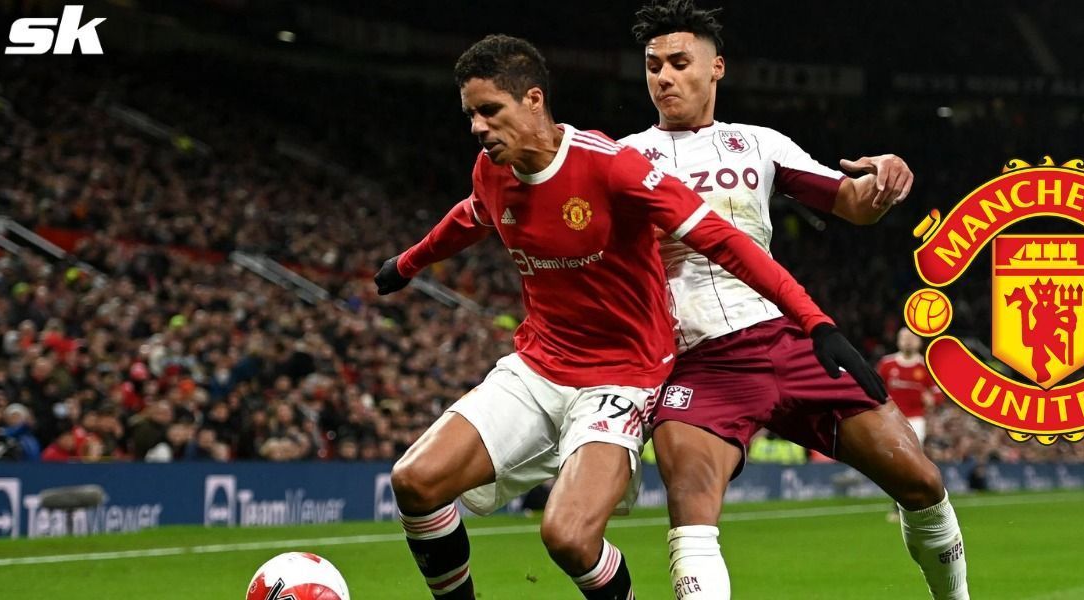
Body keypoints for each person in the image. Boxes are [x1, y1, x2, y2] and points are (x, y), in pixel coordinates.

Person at [375, 34, 872, 600]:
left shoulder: (614, 168)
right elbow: (470, 217)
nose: (478, 128)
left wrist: (815, 322)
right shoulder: (491, 171)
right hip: (540, 365)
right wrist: (407, 264)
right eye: (470, 115)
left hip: (623, 377)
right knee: (414, 481)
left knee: (568, 537)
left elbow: (724, 241)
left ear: (534, 100)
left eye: (490, 111)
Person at [620, 2, 969, 598]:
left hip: (789, 339)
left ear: (717, 68)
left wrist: (883, 176)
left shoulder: (758, 144)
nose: (664, 77)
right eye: (653, 65)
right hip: (695, 357)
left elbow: (853, 201)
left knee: (920, 480)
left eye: (680, 62)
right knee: (691, 508)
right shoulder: (623, 157)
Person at [877, 327, 944, 521]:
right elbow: (875, 387)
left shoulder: (926, 366)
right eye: (903, 337)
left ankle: (905, 505)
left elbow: (938, 393)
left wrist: (932, 399)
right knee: (894, 462)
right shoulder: (887, 364)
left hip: (915, 418)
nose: (907, 341)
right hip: (891, 418)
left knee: (910, 459)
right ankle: (904, 501)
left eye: (911, 338)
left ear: (918, 342)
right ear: (898, 341)